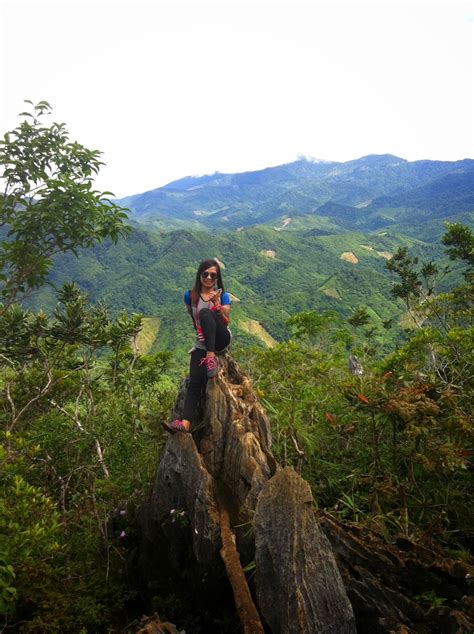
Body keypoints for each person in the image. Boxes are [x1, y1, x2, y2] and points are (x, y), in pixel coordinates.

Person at [162, 259, 232, 433]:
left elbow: (225, 321)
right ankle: (185, 423)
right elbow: (194, 320)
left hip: (221, 339)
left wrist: (216, 305)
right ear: (199, 275)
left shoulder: (223, 296)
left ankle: (210, 358)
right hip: (203, 341)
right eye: (205, 274)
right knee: (194, 382)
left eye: (213, 275)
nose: (209, 277)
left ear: (217, 278)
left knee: (205, 313)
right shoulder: (190, 296)